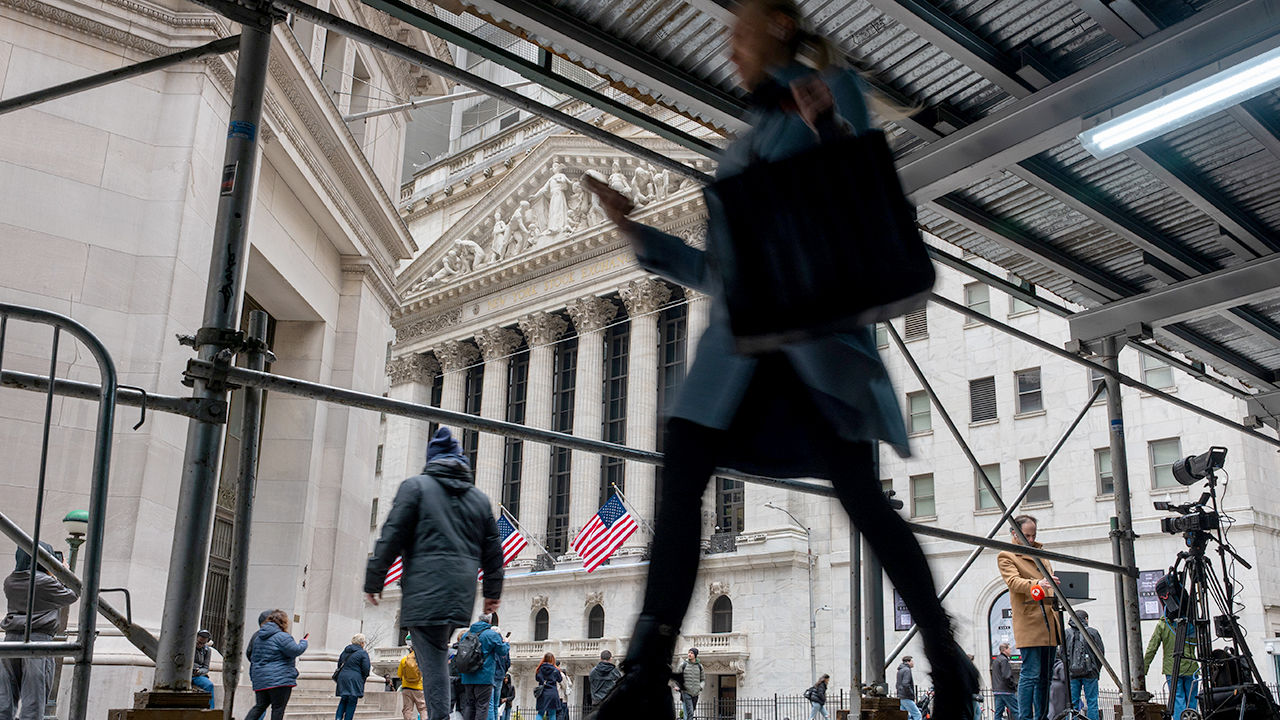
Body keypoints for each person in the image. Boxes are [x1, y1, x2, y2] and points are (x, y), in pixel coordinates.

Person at [582, 2, 977, 718]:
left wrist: (828, 125)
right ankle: (646, 671)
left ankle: (947, 658)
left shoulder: (828, 91)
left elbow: (860, 193)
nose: (728, 43)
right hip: (737, 354)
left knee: (865, 502)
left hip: (815, 350)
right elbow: (721, 271)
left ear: (781, 26)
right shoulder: (745, 138)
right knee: (681, 485)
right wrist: (638, 234)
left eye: (741, 28)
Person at [365, 427, 504, 720]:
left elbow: (391, 534)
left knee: (433, 661)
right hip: (460, 595)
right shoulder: (479, 499)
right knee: (436, 653)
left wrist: (375, 578)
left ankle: (438, 716)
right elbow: (493, 550)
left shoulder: (415, 487)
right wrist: (492, 592)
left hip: (423, 591)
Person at [0, 543, 78, 720]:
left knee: (5, 695)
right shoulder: (44, 581)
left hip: (11, 640)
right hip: (38, 640)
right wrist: (63, 570)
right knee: (34, 697)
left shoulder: (10, 581)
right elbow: (73, 594)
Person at [997, 515, 1061, 720]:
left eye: (1033, 535)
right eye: (1027, 535)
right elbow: (1014, 582)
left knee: (1046, 677)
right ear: (1014, 533)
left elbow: (1046, 581)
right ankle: (1025, 717)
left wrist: (1052, 584)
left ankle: (1041, 716)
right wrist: (1038, 584)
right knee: (1031, 673)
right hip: (1030, 621)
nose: (1031, 539)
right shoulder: (1007, 555)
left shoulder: (1041, 554)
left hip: (1049, 621)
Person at [245, 609, 307, 720]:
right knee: (278, 709)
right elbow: (296, 650)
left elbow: (250, 655)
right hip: (280, 679)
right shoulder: (282, 636)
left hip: (260, 679)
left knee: (260, 707)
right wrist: (304, 642)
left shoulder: (258, 637)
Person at [1143, 610, 1199, 720]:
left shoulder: (1163, 624)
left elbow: (1152, 648)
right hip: (1191, 667)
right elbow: (1198, 641)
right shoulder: (1190, 623)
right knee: (1192, 700)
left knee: (1177, 698)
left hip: (1172, 669)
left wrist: (1144, 668)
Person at [458, 614, 507, 720]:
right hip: (484, 676)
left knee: (469, 705)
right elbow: (502, 651)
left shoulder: (465, 634)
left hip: (467, 676)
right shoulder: (491, 635)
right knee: (482, 706)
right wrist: (506, 643)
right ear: (489, 622)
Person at [1065, 611, 1103, 720]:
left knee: (1073, 704)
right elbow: (1100, 653)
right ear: (1085, 619)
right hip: (1090, 673)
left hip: (1072, 673)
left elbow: (1061, 653)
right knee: (1092, 702)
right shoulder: (1093, 632)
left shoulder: (1066, 633)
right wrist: (1096, 670)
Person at [334, 633, 371, 720]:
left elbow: (339, 663)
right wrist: (363, 678)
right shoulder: (362, 653)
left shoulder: (345, 651)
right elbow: (366, 668)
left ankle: (338, 718)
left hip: (343, 677)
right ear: (361, 643)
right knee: (352, 700)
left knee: (343, 699)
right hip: (355, 678)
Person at [487, 626, 510, 720]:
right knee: (495, 703)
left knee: (490, 703)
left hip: (491, 675)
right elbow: (508, 662)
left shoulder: (491, 644)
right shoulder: (503, 646)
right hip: (500, 676)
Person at [397, 644, 426, 720]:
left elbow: (399, 674)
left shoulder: (404, 660)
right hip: (419, 688)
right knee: (423, 709)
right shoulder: (422, 660)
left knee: (407, 709)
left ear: (410, 650)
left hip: (406, 688)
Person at [991, 643, 1018, 720]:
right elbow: (1006, 676)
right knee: (1016, 710)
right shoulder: (1004, 660)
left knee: (998, 713)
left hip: (997, 690)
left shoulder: (996, 660)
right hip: (1006, 690)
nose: (1011, 650)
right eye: (1009, 649)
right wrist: (1013, 685)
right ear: (1004, 650)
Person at [674, 649, 703, 720]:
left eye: (691, 653)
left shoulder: (698, 667)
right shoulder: (684, 665)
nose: (689, 654)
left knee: (690, 712)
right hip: (685, 694)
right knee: (687, 713)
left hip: (694, 694)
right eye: (688, 653)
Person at [191, 629, 216, 709]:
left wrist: (199, 671)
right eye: (199, 642)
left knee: (209, 685)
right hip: (185, 673)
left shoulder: (207, 650)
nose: (200, 645)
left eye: (203, 643)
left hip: (197, 675)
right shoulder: (188, 647)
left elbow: (206, 668)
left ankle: (210, 710)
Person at [535, 653, 562, 720]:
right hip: (552, 692)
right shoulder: (555, 670)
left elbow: (537, 678)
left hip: (542, 693)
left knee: (540, 713)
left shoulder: (540, 669)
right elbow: (560, 679)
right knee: (552, 713)